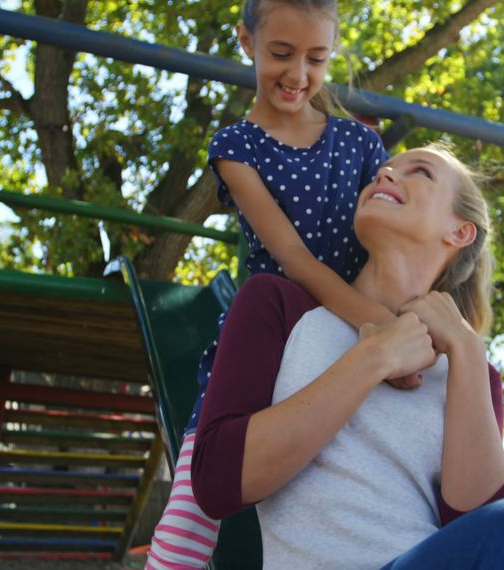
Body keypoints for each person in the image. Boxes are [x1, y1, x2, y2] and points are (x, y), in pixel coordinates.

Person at [191, 144, 504, 569]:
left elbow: (483, 523)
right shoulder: (278, 304)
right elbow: (217, 483)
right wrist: (373, 356)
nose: (388, 172)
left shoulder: (470, 371)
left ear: (459, 232)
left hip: (428, 556)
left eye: (419, 171)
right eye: (385, 169)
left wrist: (465, 348)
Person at [146, 0, 411, 566]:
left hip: (350, 329)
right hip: (269, 330)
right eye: (281, 54)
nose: (298, 75)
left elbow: (391, 238)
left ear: (332, 51)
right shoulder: (236, 147)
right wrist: (379, 327)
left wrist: (397, 322)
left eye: (316, 58)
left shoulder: (362, 145)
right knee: (194, 498)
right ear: (247, 42)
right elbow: (291, 255)